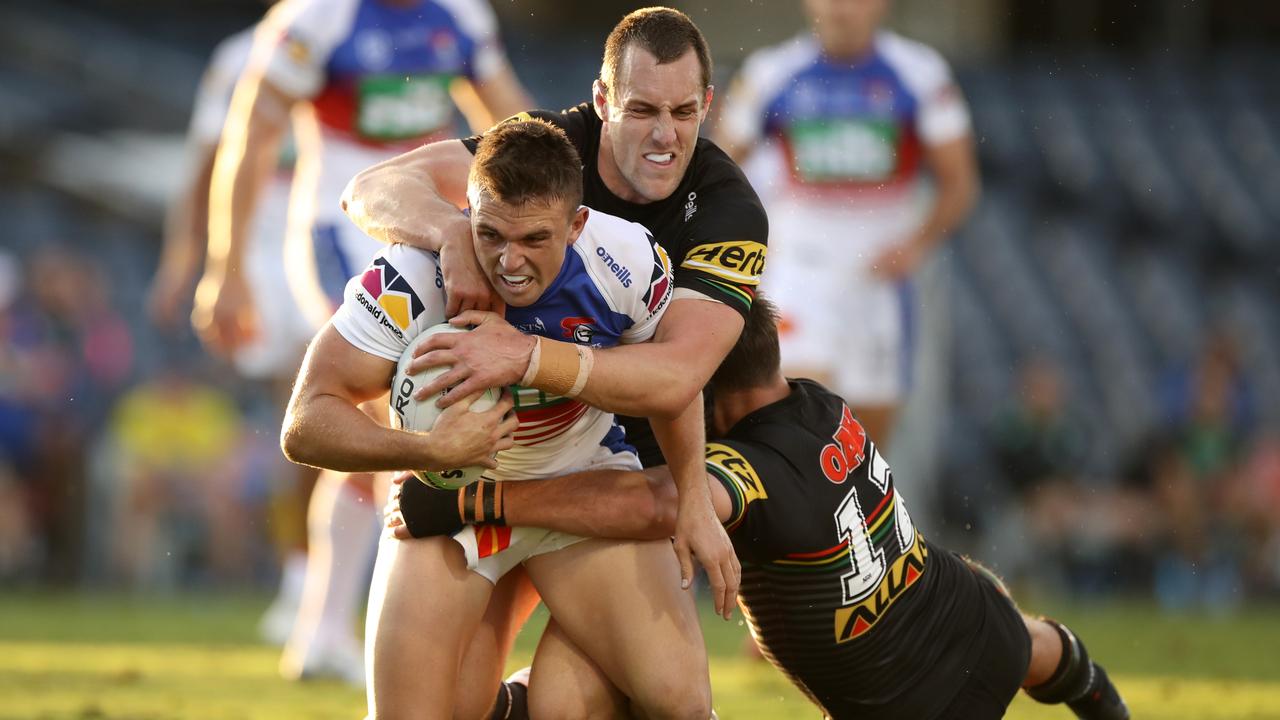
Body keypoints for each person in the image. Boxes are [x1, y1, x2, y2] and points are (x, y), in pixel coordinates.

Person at [389, 296, 1131, 720]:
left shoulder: (754, 471)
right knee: (1043, 649)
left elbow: (658, 505)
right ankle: (1103, 703)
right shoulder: (818, 405)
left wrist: (485, 498)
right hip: (968, 610)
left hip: (897, 704)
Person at [282, 119, 712, 719]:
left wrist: (694, 499)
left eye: (535, 239)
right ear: (468, 213)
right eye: (490, 236)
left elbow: (674, 381)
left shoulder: (625, 260)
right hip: (450, 500)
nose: (510, 263)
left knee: (678, 704)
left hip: (575, 482)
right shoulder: (414, 275)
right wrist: (429, 453)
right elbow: (303, 421)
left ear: (577, 225)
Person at [339, 4, 760, 605]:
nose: (665, 134)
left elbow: (676, 379)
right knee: (434, 701)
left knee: (658, 696)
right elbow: (368, 189)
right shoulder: (548, 150)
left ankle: (472, 505)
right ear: (603, 99)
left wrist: (523, 357)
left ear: (707, 105)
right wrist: (453, 233)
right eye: (641, 109)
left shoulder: (730, 213)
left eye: (683, 111)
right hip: (511, 438)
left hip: (645, 460)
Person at [191, 0, 533, 682]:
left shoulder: (461, 15)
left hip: (432, 224)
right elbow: (250, 135)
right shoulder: (318, 17)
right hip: (336, 224)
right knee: (391, 414)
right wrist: (226, 267)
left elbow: (515, 127)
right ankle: (400, 634)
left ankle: (323, 627)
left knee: (387, 429)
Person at [712, 0, 979, 446]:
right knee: (788, 417)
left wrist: (917, 244)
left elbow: (960, 182)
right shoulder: (771, 71)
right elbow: (720, 168)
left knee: (868, 445)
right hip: (800, 269)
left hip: (877, 279)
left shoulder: (919, 72)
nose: (841, 8)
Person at [146, 18, 315, 647]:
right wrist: (182, 260)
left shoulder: (364, 30)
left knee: (320, 403)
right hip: (264, 251)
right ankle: (299, 573)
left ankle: (309, 576)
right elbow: (205, 160)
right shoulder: (242, 54)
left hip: (336, 232)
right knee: (303, 404)